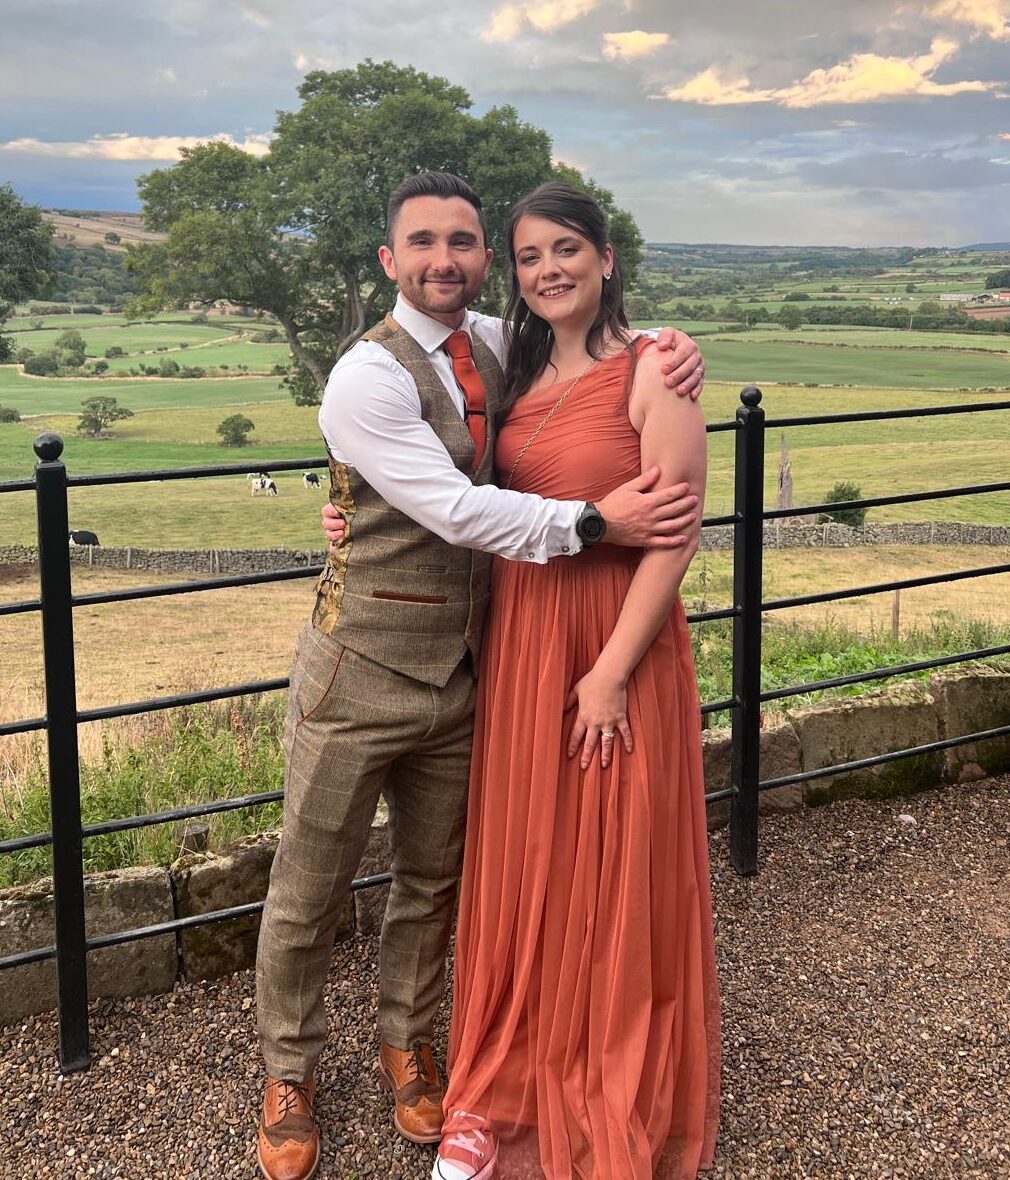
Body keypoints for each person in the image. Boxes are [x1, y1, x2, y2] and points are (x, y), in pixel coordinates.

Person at [254, 171, 706, 1180]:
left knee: (435, 879)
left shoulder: (500, 345)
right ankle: (288, 1072)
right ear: (390, 259)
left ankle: (410, 1047)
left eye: (463, 242)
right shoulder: (364, 378)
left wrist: (671, 343)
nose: (444, 260)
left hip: (475, 669)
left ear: (481, 258)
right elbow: (456, 509)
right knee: (309, 885)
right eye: (422, 243)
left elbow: (598, 340)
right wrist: (596, 522)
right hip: (361, 667)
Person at [431, 182, 720, 1180]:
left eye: (567, 248)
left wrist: (608, 674)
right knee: (531, 857)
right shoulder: (510, 365)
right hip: (525, 636)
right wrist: (343, 510)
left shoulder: (656, 369)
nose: (548, 268)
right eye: (529, 255)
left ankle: (605, 1079)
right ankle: (503, 1079)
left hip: (613, 644)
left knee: (612, 861)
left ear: (606, 257)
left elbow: (674, 537)